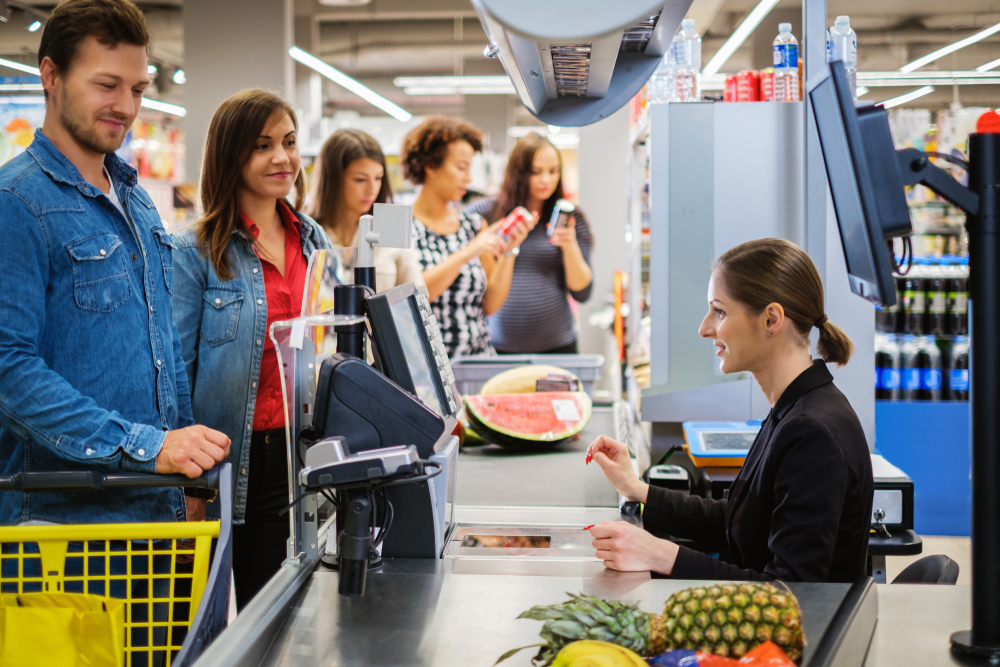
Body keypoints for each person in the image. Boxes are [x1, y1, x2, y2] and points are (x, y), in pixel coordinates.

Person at [0, 0, 230, 528]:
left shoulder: (138, 201)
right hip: (64, 525)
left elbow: (163, 349)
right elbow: (9, 369)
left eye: (138, 89)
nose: (126, 106)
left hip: (155, 510)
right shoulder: (16, 203)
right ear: (51, 76)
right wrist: (147, 448)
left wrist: (185, 472)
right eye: (107, 85)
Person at [586, 238, 874, 582]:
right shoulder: (794, 409)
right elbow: (739, 520)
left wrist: (660, 554)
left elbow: (792, 593)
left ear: (771, 319)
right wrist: (637, 489)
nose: (705, 328)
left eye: (719, 311)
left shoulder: (813, 433)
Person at [171, 89, 332, 609]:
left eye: (288, 142)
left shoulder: (314, 242)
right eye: (262, 146)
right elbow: (175, 373)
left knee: (281, 616)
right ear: (231, 155)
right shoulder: (194, 251)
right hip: (222, 462)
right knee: (203, 622)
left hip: (298, 453)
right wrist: (191, 486)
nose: (282, 158)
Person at [402, 116, 533, 357]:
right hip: (426, 368)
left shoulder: (472, 226)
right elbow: (417, 294)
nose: (469, 178)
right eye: (461, 168)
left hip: (477, 361)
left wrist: (510, 251)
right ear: (431, 166)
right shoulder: (404, 227)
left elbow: (490, 305)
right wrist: (469, 251)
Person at [465, 132, 593, 354]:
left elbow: (582, 292)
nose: (546, 179)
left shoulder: (570, 217)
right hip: (497, 345)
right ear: (518, 172)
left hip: (557, 344)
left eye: (553, 171)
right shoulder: (484, 213)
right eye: (536, 172)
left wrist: (569, 246)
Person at [308, 129, 424, 293]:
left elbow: (417, 298)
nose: (372, 189)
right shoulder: (307, 233)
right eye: (360, 179)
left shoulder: (391, 231)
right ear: (333, 180)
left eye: (378, 178)